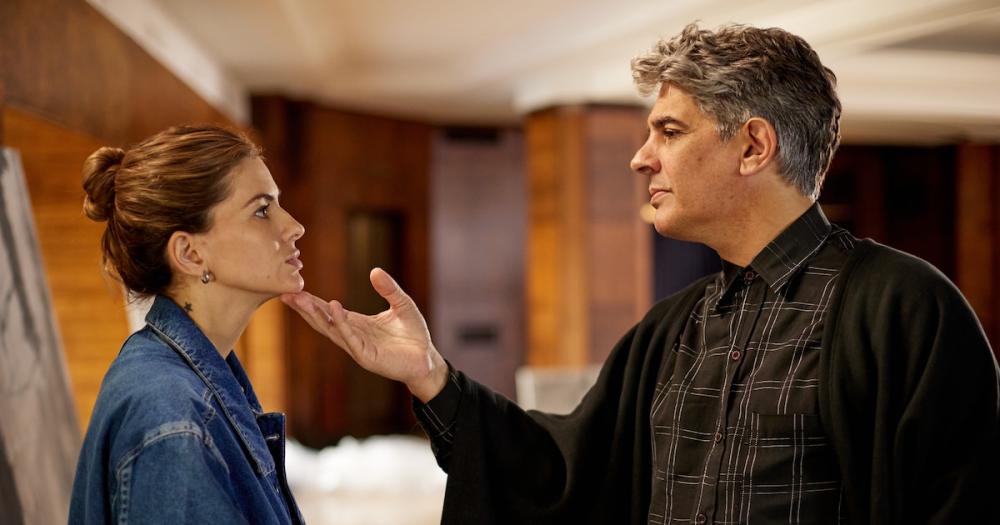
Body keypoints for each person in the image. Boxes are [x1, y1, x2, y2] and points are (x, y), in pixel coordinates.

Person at [283, 23, 1000, 524]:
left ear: (753, 146)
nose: (640, 157)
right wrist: (432, 376)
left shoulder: (907, 309)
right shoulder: (671, 329)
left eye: (669, 131)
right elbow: (559, 473)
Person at [70, 125, 306, 524]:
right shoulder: (174, 421)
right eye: (262, 211)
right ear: (190, 254)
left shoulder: (190, 383)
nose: (294, 227)